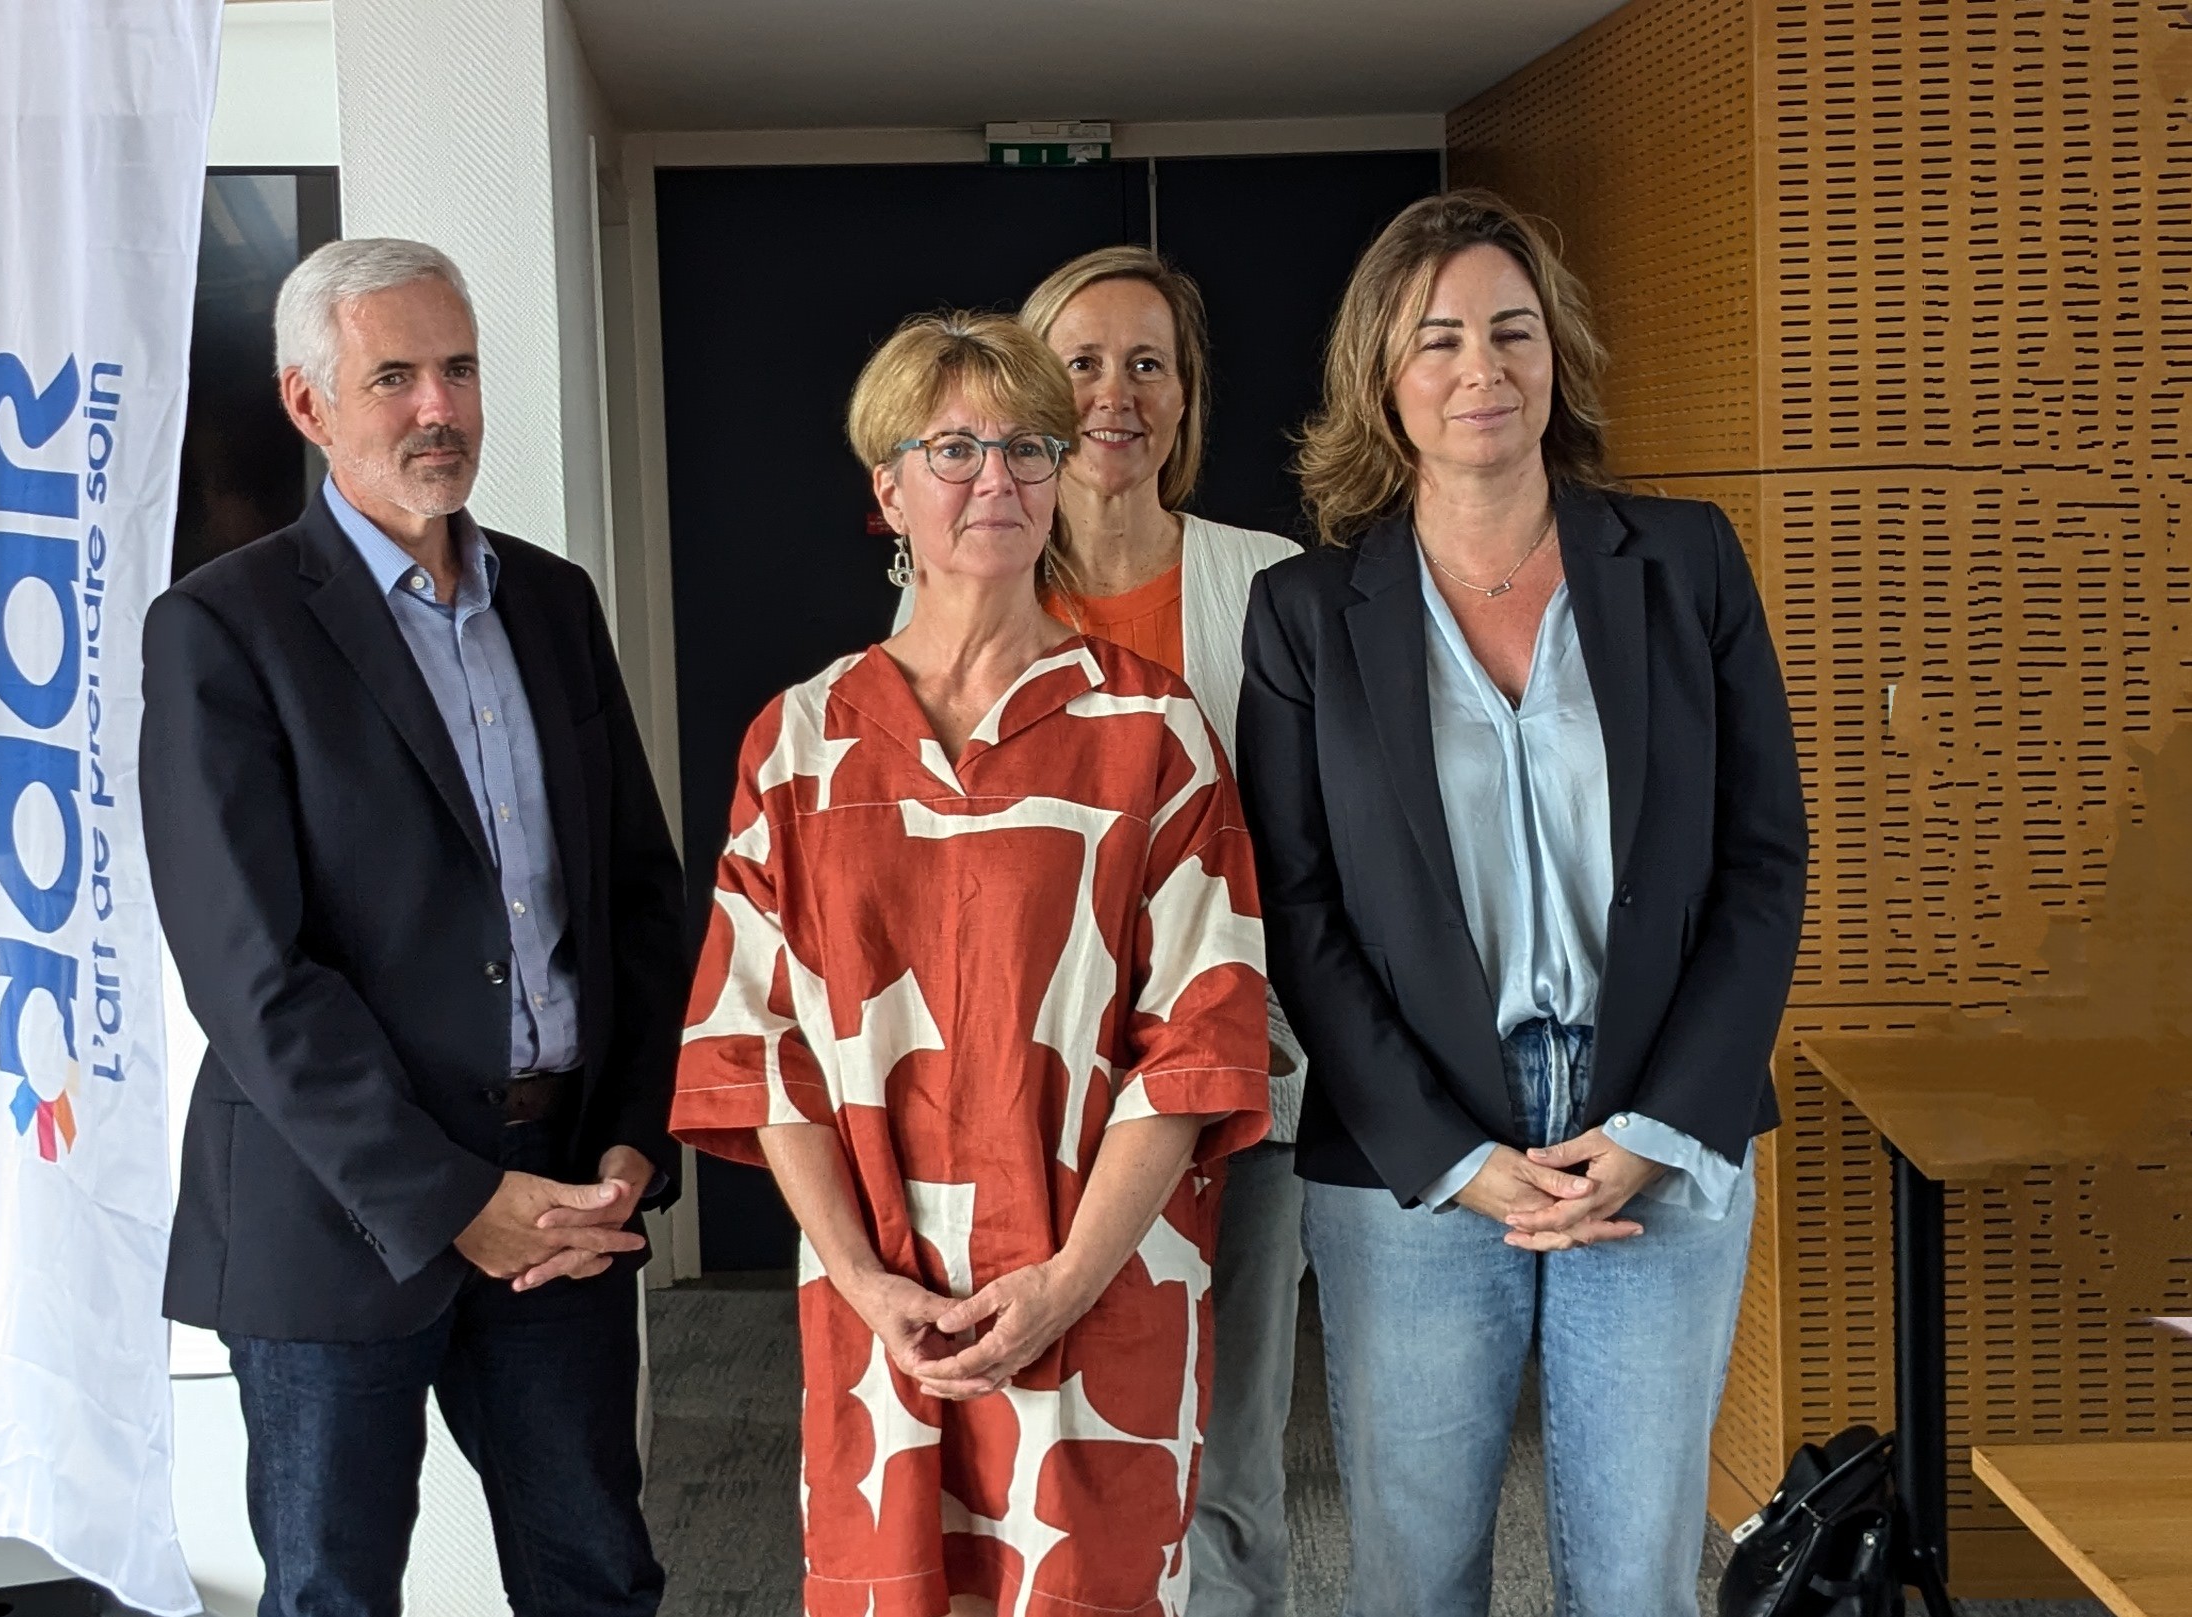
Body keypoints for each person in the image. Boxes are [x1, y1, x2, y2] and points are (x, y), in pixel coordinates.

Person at [1234, 189, 1807, 1615]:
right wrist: (1456, 1154)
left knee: (1636, 1581)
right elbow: (1298, 908)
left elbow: (1761, 860)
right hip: (1415, 1155)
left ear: (1557, 355)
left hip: (1654, 1131)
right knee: (1415, 1580)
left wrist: (1664, 1123)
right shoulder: (1306, 615)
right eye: (1438, 339)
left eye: (1511, 329)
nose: (1480, 367)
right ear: (1384, 374)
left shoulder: (1685, 562)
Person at [672, 310, 1270, 1616]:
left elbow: (1200, 1044)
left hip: (1102, 1279)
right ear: (885, 489)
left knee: (1093, 1589)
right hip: (881, 1289)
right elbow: (756, 1044)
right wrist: (861, 1274)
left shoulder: (1152, 728)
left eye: (1028, 447)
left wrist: (1065, 1282)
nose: (997, 478)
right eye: (955, 448)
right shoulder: (801, 740)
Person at [141, 237, 686, 1617]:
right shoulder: (224, 629)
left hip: (561, 1185)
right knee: (334, 1592)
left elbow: (633, 900)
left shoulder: (553, 604)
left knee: (598, 1575)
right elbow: (251, 975)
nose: (439, 407)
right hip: (339, 1211)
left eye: (458, 369)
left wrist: (630, 1138)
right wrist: (453, 1202)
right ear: (311, 405)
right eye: (395, 376)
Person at [1021, 246, 1307, 1616]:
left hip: (1242, 1095)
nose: (1114, 393)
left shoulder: (1272, 584)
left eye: (1148, 362)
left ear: (1187, 400)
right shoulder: (974, 587)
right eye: (1081, 360)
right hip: (1036, 1108)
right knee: (1055, 1445)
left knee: (1231, 1460)